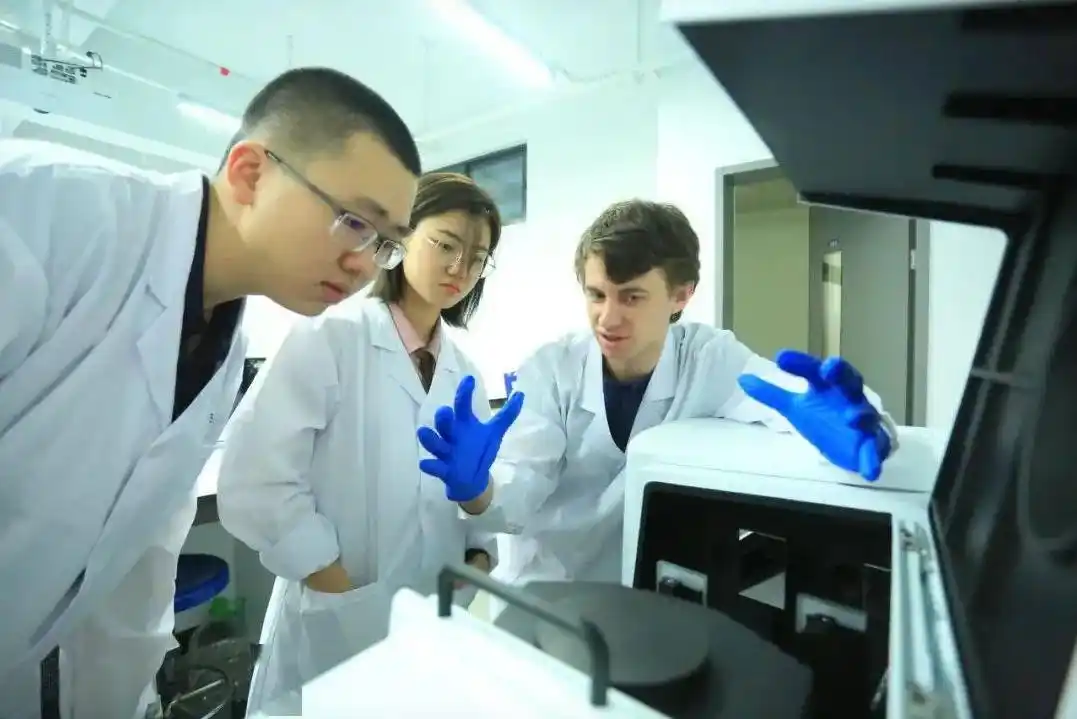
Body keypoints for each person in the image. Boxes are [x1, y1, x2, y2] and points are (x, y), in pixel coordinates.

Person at [0, 66, 421, 719]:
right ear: (251, 174)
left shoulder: (218, 343)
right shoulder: (42, 212)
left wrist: (128, 700)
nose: (365, 264)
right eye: (353, 222)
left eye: (386, 244)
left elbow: (136, 558)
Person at [415, 199, 898, 597]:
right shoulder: (552, 370)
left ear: (681, 295)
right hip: (547, 591)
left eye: (631, 297)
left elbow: (788, 395)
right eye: (596, 295)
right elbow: (519, 490)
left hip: (650, 596)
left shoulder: (707, 358)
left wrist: (863, 425)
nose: (608, 318)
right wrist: (477, 489)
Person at [215, 172, 506, 714]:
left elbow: (476, 507)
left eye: (477, 257)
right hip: (339, 618)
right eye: (446, 244)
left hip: (436, 622)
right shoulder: (330, 338)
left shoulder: (465, 371)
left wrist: (478, 558)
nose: (459, 268)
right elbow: (255, 480)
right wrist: (336, 588)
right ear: (402, 237)